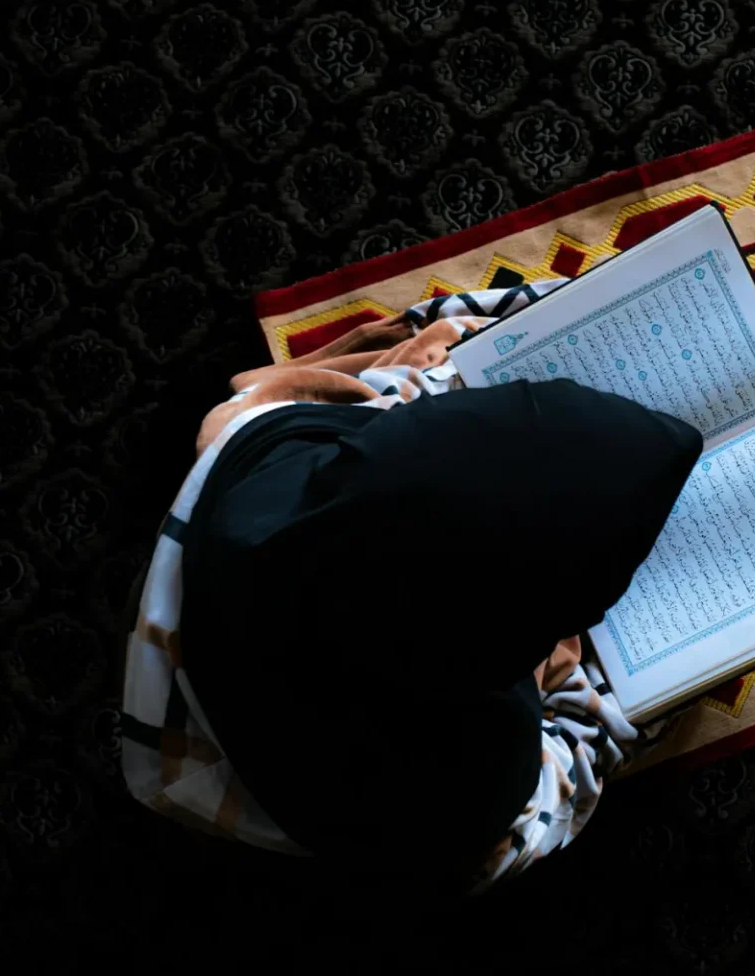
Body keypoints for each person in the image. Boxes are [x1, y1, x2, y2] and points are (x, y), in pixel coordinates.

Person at [119, 288, 701, 891]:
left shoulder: (275, 452)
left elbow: (422, 431)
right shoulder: (459, 787)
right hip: (265, 778)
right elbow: (536, 810)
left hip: (220, 605)